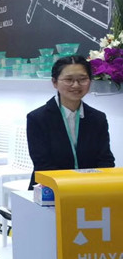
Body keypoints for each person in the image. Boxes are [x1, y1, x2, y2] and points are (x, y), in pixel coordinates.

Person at [26, 55, 115, 187]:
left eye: (82, 79)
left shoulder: (98, 118)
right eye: (68, 80)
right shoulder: (38, 118)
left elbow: (105, 160)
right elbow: (42, 164)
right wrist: (71, 185)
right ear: (54, 82)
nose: (76, 85)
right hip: (50, 189)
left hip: (91, 187)